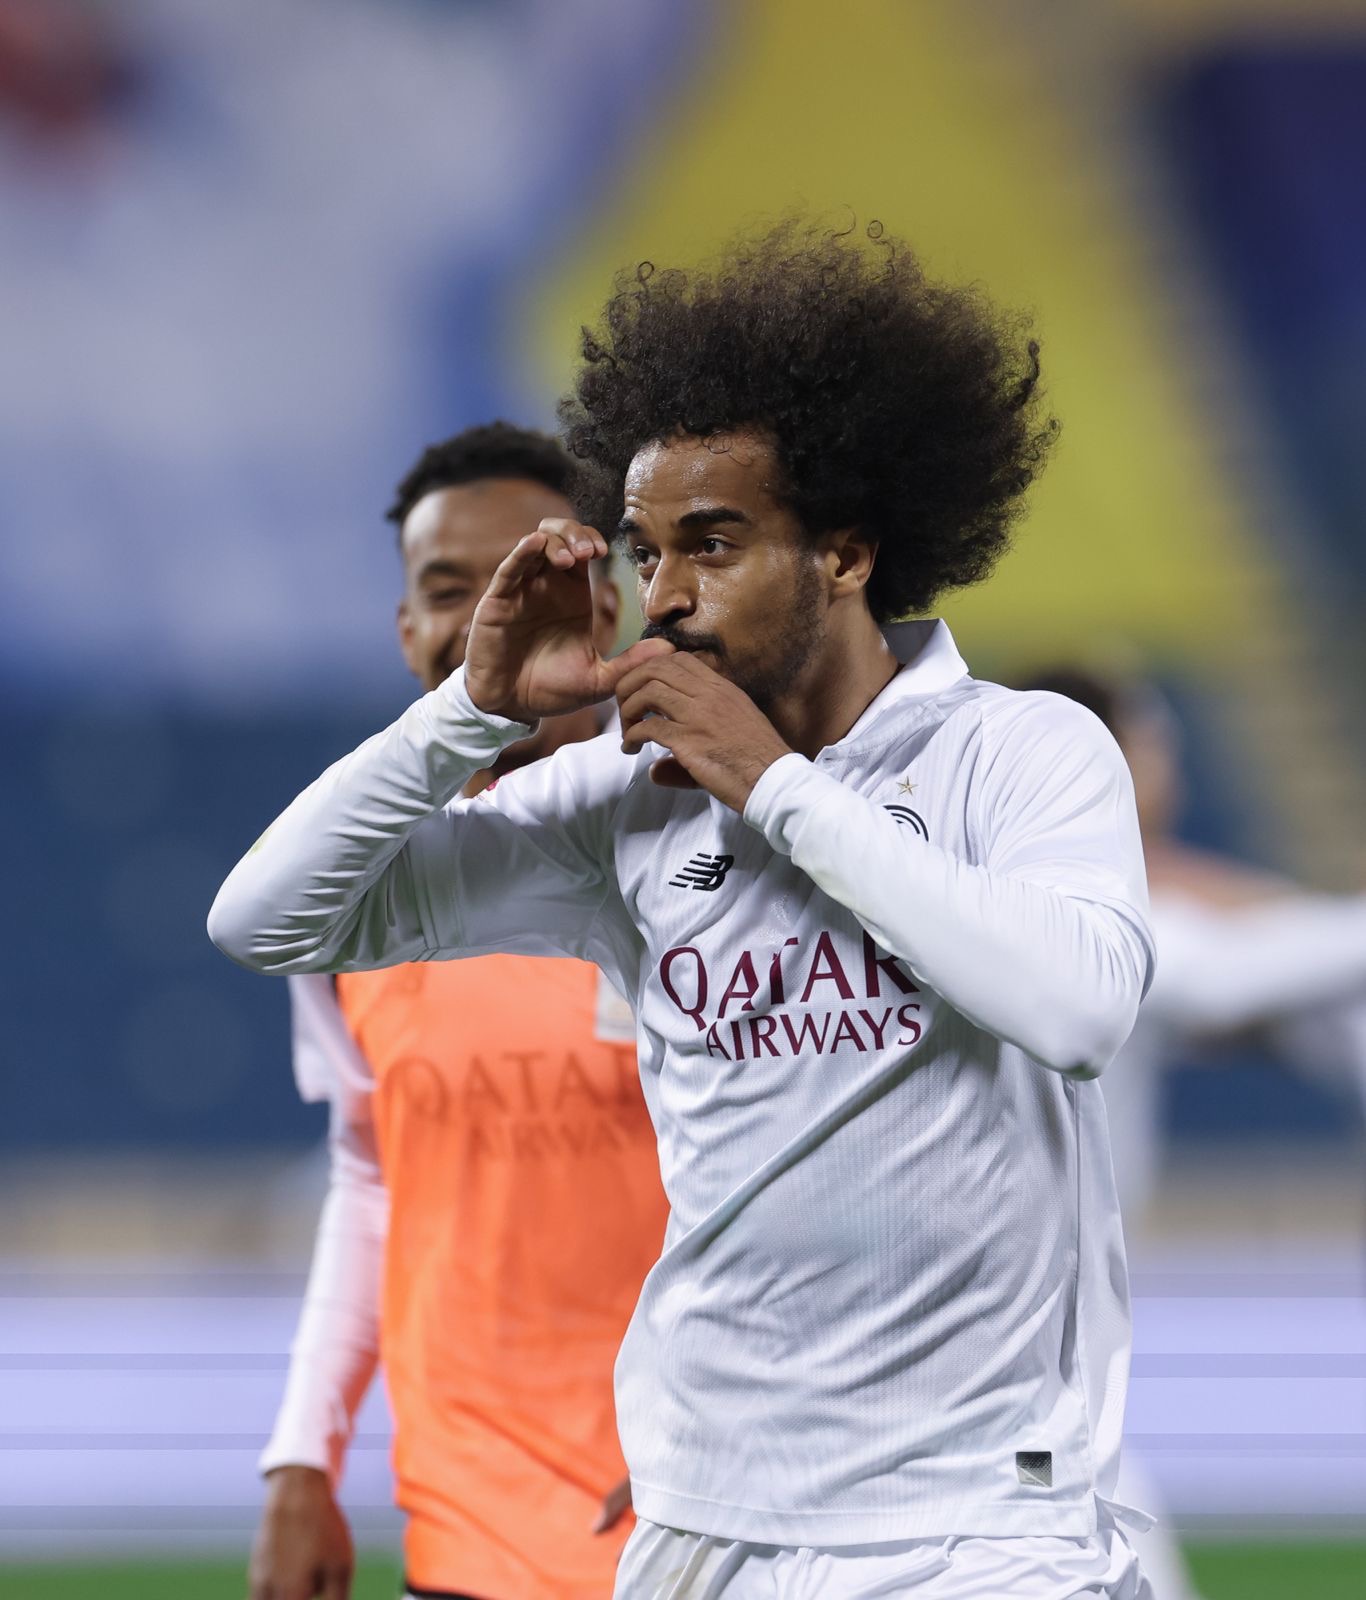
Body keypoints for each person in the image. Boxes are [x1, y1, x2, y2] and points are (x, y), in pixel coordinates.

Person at [213, 221, 1157, 1599]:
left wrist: (773, 785)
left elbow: (1075, 1010)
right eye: (647, 552)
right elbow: (264, 921)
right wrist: (465, 712)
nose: (663, 596)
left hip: (972, 1527)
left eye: (711, 545)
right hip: (702, 1520)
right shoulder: (626, 803)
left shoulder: (1019, 751)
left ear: (845, 552)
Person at [247, 423, 669, 1600]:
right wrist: (302, 1456)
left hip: (692, 1525)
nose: (491, 615)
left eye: (526, 577)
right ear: (408, 629)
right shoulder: (351, 892)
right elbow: (372, 1169)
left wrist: (730, 1411)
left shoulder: (692, 847)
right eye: (449, 589)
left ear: (604, 608)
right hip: (462, 1528)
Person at [1019, 664, 1366, 1600]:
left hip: (1031, 1387)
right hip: (1022, 1394)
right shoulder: (1083, 921)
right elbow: (1218, 975)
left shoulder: (979, 897)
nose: (1169, 768)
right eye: (1152, 743)